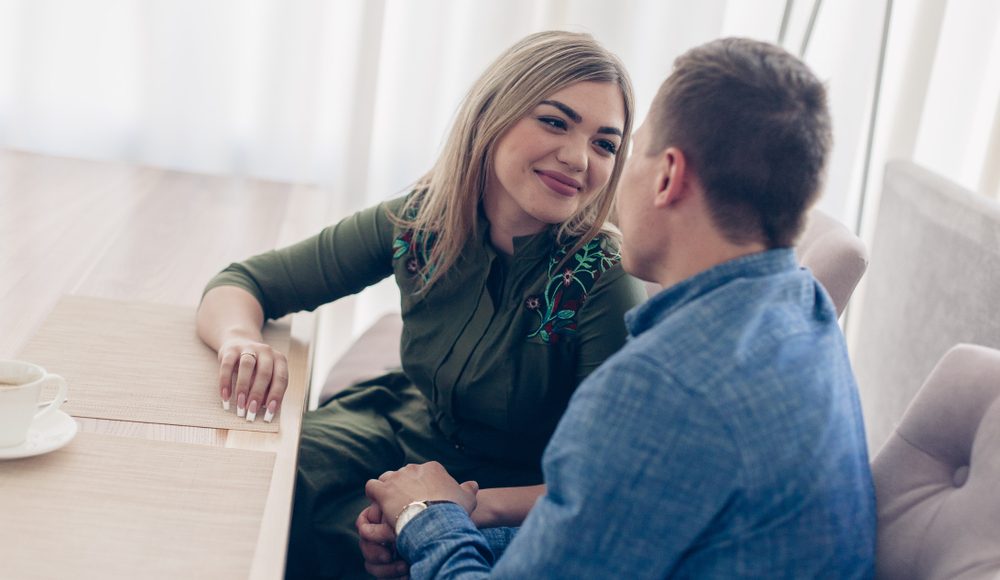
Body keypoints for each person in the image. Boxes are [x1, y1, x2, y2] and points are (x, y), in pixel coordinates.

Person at [362, 37, 877, 579]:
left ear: (667, 176)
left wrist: (427, 517)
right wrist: (463, 519)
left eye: (624, 149)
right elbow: (609, 539)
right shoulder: (804, 307)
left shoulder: (657, 387)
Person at [196, 31, 646, 578]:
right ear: (492, 116)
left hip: (505, 494)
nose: (578, 157)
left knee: (365, 550)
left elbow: (609, 481)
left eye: (605, 143)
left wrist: (452, 511)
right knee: (248, 486)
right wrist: (241, 340)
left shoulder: (602, 278)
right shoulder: (420, 218)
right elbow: (243, 282)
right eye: (554, 121)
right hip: (391, 427)